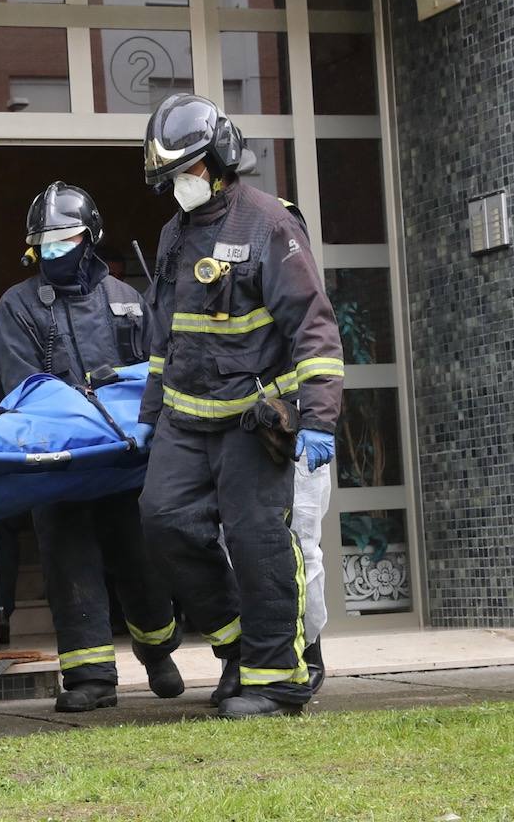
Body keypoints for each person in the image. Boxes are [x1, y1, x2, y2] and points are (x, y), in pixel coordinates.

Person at [137, 94, 344, 719]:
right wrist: (150, 416)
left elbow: (313, 325)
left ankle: (277, 679)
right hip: (184, 418)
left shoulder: (270, 224)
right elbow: (162, 339)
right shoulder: (175, 233)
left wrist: (321, 417)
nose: (181, 186)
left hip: (254, 418)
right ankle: (237, 646)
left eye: (188, 172)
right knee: (162, 522)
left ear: (220, 160)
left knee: (259, 542)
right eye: (172, 177)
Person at [0, 181, 184, 712]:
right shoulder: (19, 306)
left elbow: (156, 373)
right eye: (43, 243)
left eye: (64, 240)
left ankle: (158, 651)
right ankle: (91, 677)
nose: (52, 251)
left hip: (127, 457)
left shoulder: (128, 301)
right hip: (60, 460)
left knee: (140, 557)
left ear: (90, 237)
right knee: (68, 561)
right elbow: (21, 385)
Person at [210, 196, 332, 706]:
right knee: (238, 549)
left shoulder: (297, 286)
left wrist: (317, 422)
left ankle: (306, 653)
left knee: (299, 547)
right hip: (247, 438)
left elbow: (316, 348)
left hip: (293, 437)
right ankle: (248, 658)